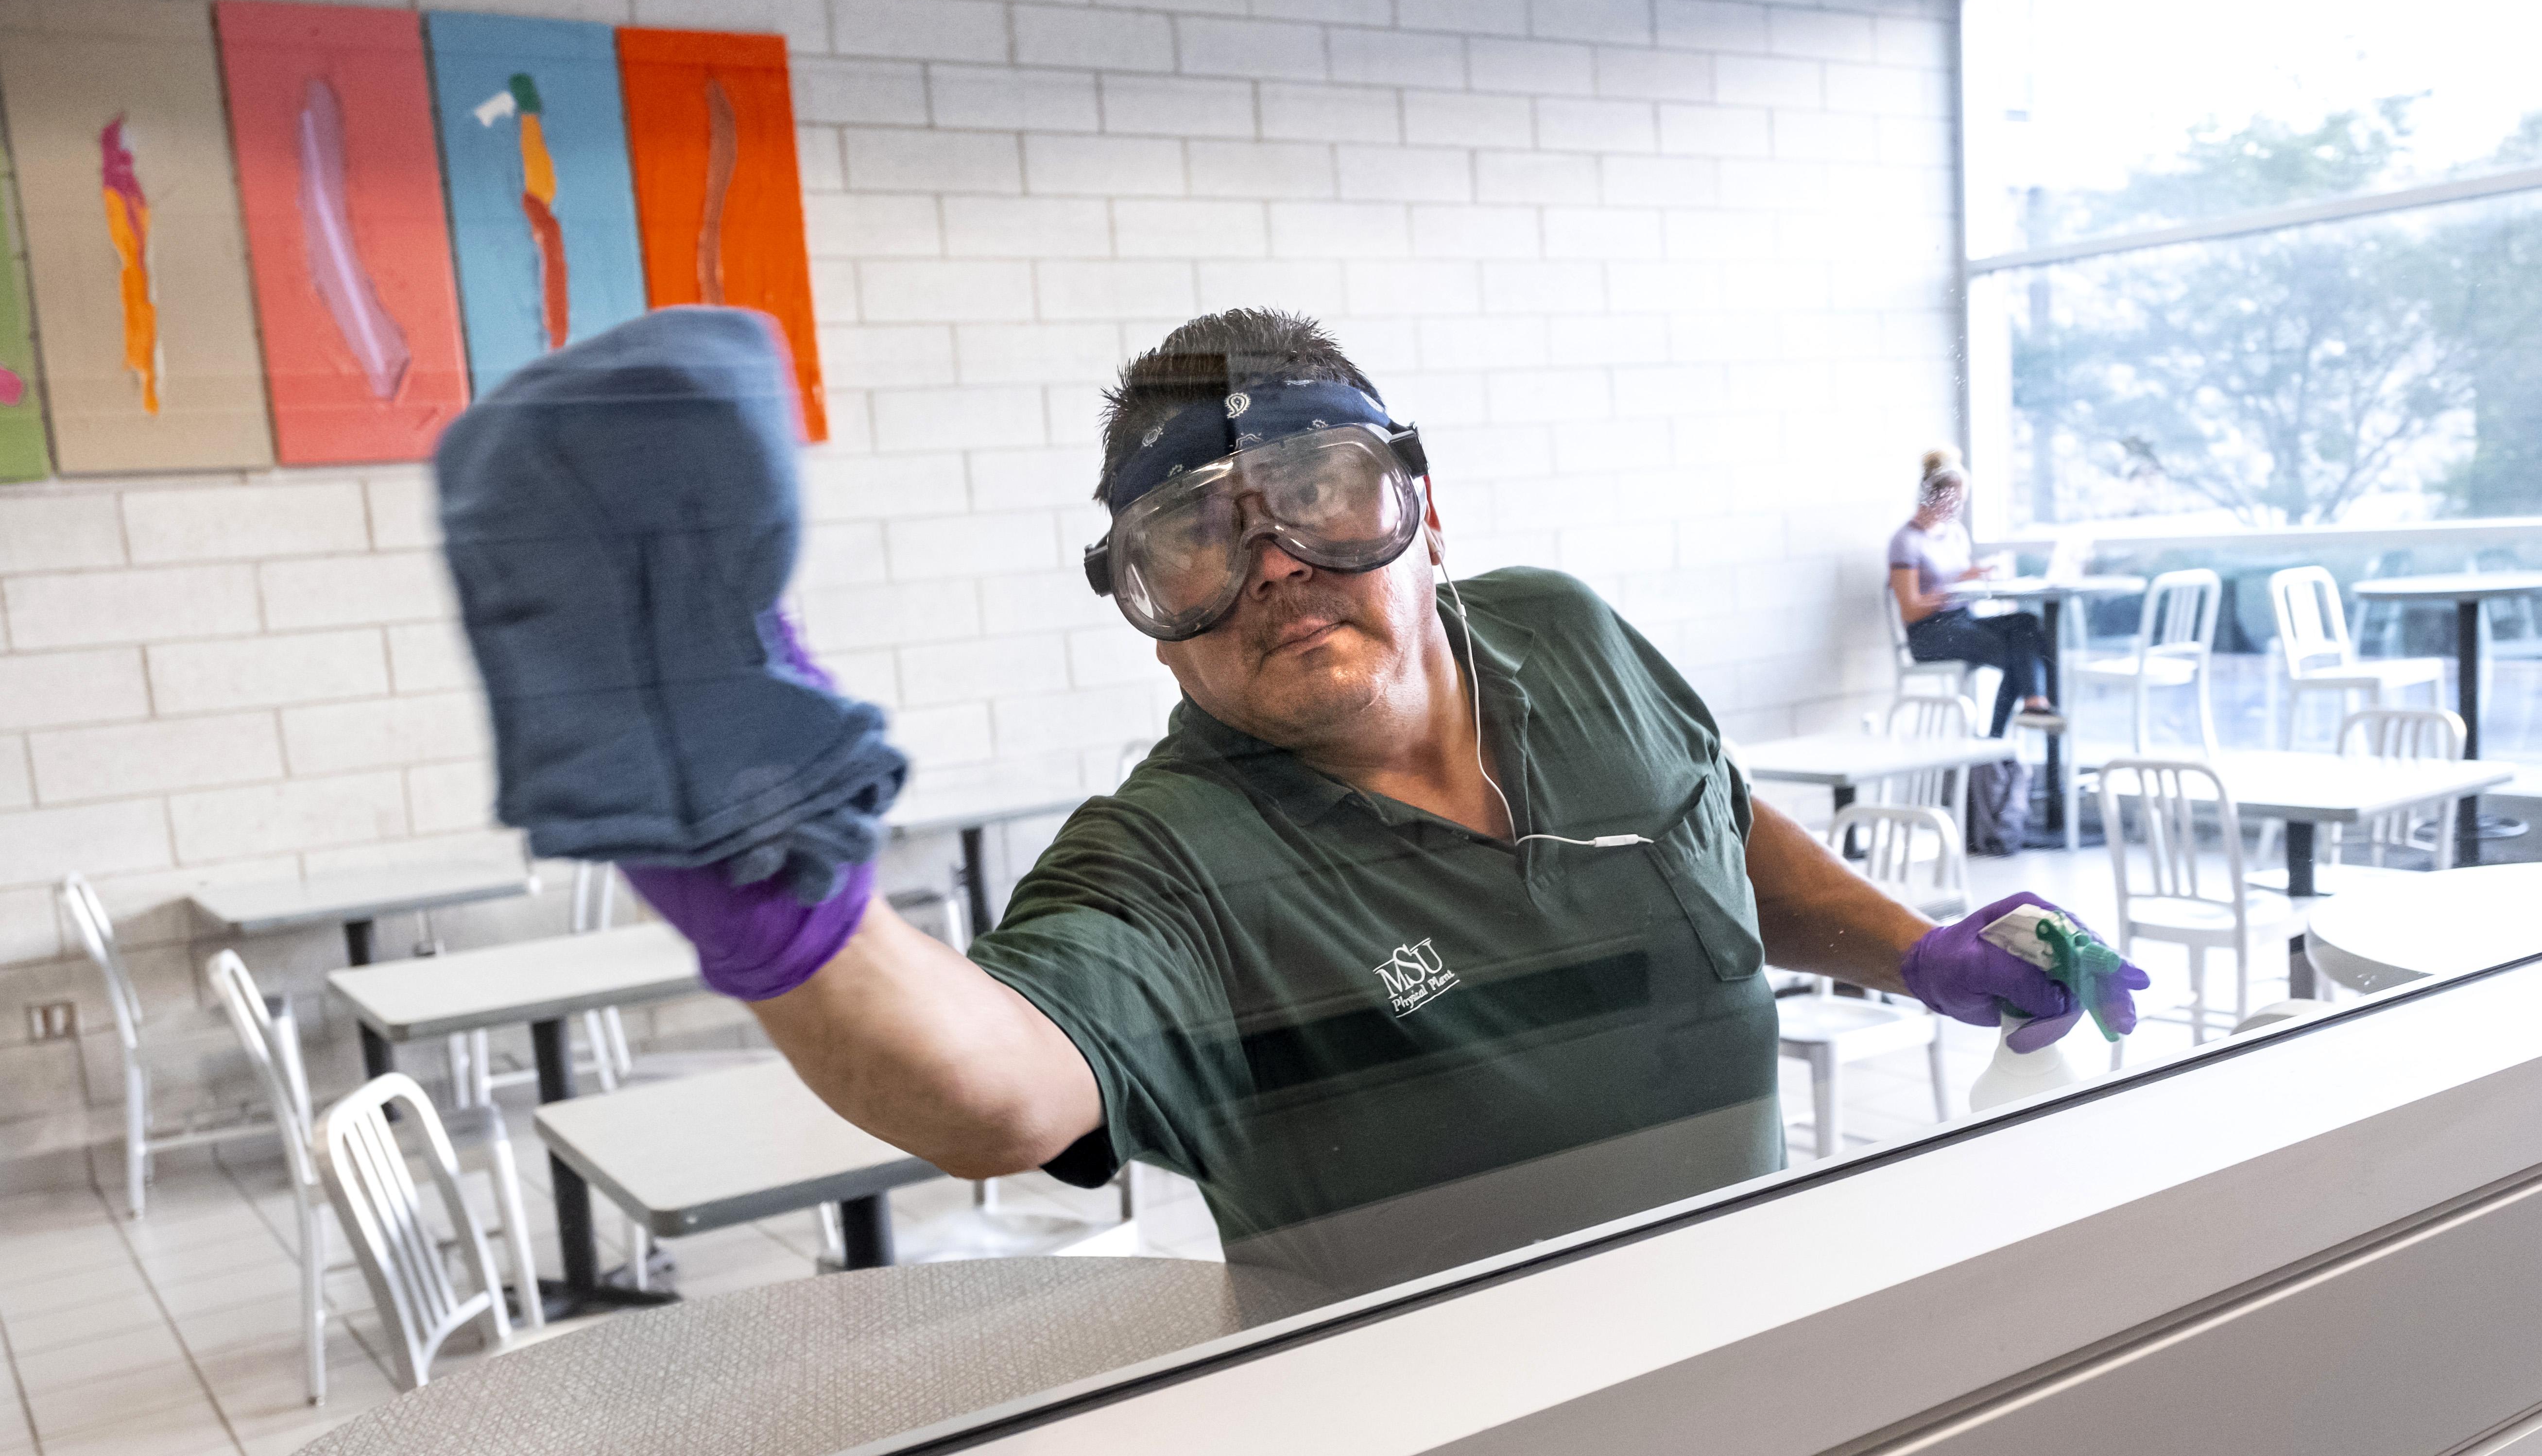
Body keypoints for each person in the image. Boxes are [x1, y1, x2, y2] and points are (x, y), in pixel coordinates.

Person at [578, 310, 2140, 1296]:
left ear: (1425, 513)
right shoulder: (1169, 861)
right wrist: (791, 906)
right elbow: (1001, 1091)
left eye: (1323, 494)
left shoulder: (1562, 631)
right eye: (1192, 538)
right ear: (1138, 599)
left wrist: (1915, 948)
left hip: (1750, 1351)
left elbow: (1708, 824)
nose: (1274, 564)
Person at [1890, 449, 2051, 737]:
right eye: (1957, 501)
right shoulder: (1906, 542)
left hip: (1962, 620)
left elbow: (1958, 582)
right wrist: (1953, 588)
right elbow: (1911, 610)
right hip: (1929, 634)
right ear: (1938, 496)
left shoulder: (1954, 535)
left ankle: (2032, 705)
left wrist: (1976, 578)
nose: (1960, 510)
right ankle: (2001, 736)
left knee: (2027, 623)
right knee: (2020, 654)